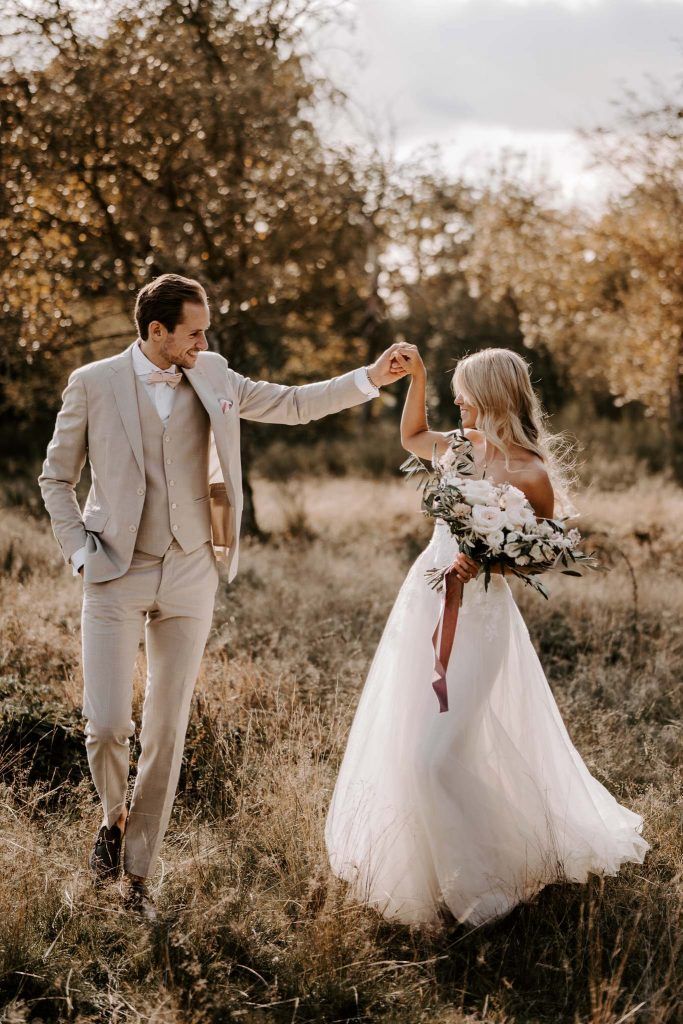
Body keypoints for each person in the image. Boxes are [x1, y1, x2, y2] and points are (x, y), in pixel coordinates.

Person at [39, 272, 409, 921]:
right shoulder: (92, 383)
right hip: (113, 572)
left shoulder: (213, 374)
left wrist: (369, 378)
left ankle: (135, 879)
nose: (205, 340)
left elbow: (293, 402)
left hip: (190, 573)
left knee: (166, 729)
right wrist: (79, 551)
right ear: (156, 331)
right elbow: (55, 477)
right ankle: (109, 819)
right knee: (106, 725)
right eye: (194, 330)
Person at [325, 346, 649, 927]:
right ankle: (433, 876)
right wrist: (416, 379)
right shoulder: (460, 448)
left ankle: (498, 877)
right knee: (413, 737)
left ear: (493, 396)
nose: (457, 401)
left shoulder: (532, 475)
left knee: (436, 756)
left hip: (482, 619)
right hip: (424, 604)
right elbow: (411, 437)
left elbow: (539, 558)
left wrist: (491, 561)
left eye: (463, 391)